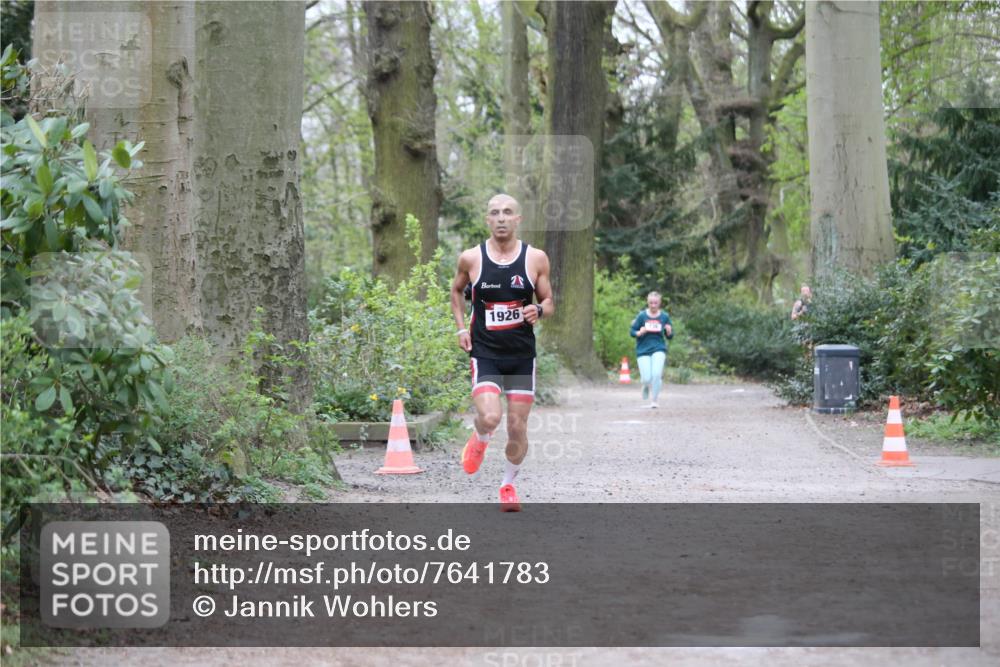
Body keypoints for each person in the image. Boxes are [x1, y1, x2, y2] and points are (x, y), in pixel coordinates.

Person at [450, 194, 554, 512]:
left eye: (508, 212)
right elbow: (456, 291)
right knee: (491, 416)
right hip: (485, 352)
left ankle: (508, 484)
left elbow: (549, 301)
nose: (501, 218)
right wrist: (460, 327)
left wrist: (538, 308)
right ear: (487, 220)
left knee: (517, 427)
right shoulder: (471, 258)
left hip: (522, 355)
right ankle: (480, 439)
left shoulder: (535, 258)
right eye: (495, 213)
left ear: (518, 219)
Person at [629, 291, 673, 408]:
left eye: (655, 303)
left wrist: (669, 331)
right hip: (643, 349)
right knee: (646, 378)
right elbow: (632, 331)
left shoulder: (664, 316)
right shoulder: (642, 316)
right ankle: (645, 385)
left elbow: (670, 336)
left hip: (659, 348)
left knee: (657, 374)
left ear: (660, 303)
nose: (653, 305)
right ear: (647, 302)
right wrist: (639, 332)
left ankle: (654, 400)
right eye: (651, 303)